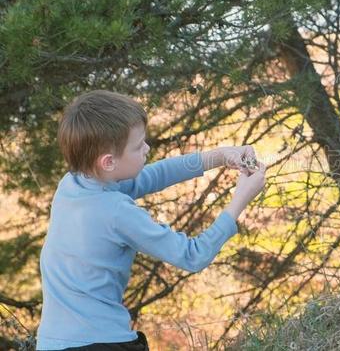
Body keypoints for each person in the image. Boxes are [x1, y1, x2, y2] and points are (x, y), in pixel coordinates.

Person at [36, 90, 266, 350]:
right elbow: (192, 256)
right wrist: (239, 201)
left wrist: (221, 156)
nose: (147, 148)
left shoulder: (73, 185)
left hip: (51, 343)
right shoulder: (116, 211)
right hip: (100, 344)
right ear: (108, 161)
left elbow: (155, 174)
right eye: (138, 146)